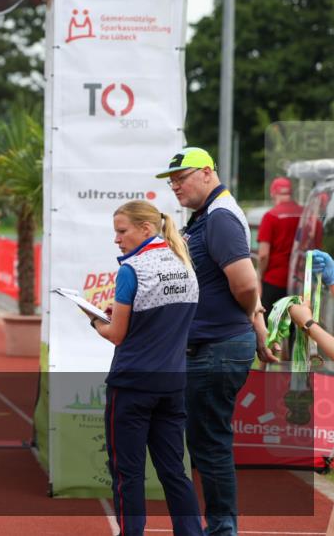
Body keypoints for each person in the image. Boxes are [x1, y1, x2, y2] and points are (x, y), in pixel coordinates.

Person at [157, 147, 277, 536]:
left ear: (208, 173)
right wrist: (255, 321)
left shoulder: (220, 216)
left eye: (182, 177)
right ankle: (219, 526)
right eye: (171, 180)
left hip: (216, 348)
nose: (175, 185)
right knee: (207, 443)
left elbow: (244, 282)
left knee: (209, 445)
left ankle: (223, 529)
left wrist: (252, 316)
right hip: (214, 345)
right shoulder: (209, 215)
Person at [85, 201, 203, 536]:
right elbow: (172, 320)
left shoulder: (132, 269)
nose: (117, 239)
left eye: (122, 231)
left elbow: (117, 334)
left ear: (146, 229)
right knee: (174, 471)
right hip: (172, 383)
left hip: (133, 384)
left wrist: (94, 319)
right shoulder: (184, 264)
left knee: (128, 473)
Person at [258, 177, 303, 315]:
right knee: (296, 326)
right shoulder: (306, 215)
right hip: (299, 282)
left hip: (274, 281)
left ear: (273, 193)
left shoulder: (270, 216)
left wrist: (259, 276)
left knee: (270, 327)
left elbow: (263, 254)